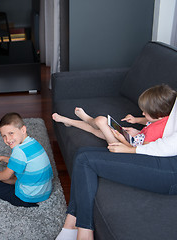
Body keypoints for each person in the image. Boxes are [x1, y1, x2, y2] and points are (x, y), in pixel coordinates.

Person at [55, 94, 177, 240]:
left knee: (85, 160)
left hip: (169, 168)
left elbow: (171, 144)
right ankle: (72, 223)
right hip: (162, 157)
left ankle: (82, 231)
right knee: (82, 154)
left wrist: (131, 149)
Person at [52, 84, 176, 147]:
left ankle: (88, 118)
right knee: (97, 130)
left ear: (159, 114)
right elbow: (149, 122)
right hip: (132, 137)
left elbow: (141, 152)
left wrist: (123, 140)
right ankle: (69, 121)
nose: (143, 113)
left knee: (101, 121)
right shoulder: (166, 119)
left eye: (146, 113)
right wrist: (136, 121)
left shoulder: (156, 129)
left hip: (123, 147)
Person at [0, 112, 53, 207]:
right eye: (4, 136)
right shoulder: (33, 142)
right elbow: (23, 161)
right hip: (45, 192)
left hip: (28, 197)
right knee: (11, 176)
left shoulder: (18, 150)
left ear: (23, 129)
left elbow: (6, 175)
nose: (7, 139)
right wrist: (2, 158)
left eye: (11, 133)